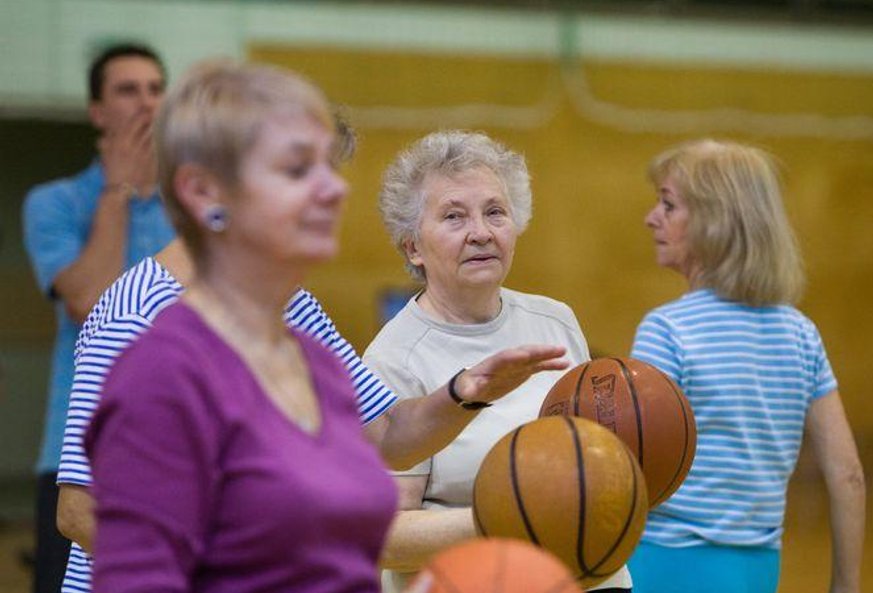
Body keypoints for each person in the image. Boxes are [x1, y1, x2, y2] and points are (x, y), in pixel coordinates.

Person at [82, 60, 567, 593]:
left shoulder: (303, 332)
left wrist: (464, 393)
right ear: (205, 193)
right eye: (296, 170)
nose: (332, 191)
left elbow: (385, 437)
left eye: (328, 170)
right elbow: (94, 524)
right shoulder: (157, 350)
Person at [363, 130, 632, 592]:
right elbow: (386, 537)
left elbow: (591, 463)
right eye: (453, 216)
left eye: (494, 212)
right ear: (413, 247)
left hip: (585, 577)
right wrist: (516, 515)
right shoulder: (393, 357)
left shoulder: (556, 319)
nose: (481, 232)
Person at [625, 139, 865, 593]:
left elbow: (630, 471)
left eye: (668, 204)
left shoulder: (667, 330)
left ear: (714, 222)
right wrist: (846, 584)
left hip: (662, 566)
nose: (651, 217)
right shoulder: (802, 335)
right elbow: (847, 473)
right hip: (757, 572)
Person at [21, 42, 175, 593]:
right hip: (76, 464)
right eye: (127, 90)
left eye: (156, 89)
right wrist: (119, 190)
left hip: (171, 452)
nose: (147, 104)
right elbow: (87, 301)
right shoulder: (54, 203)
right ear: (96, 112)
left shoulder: (191, 209)